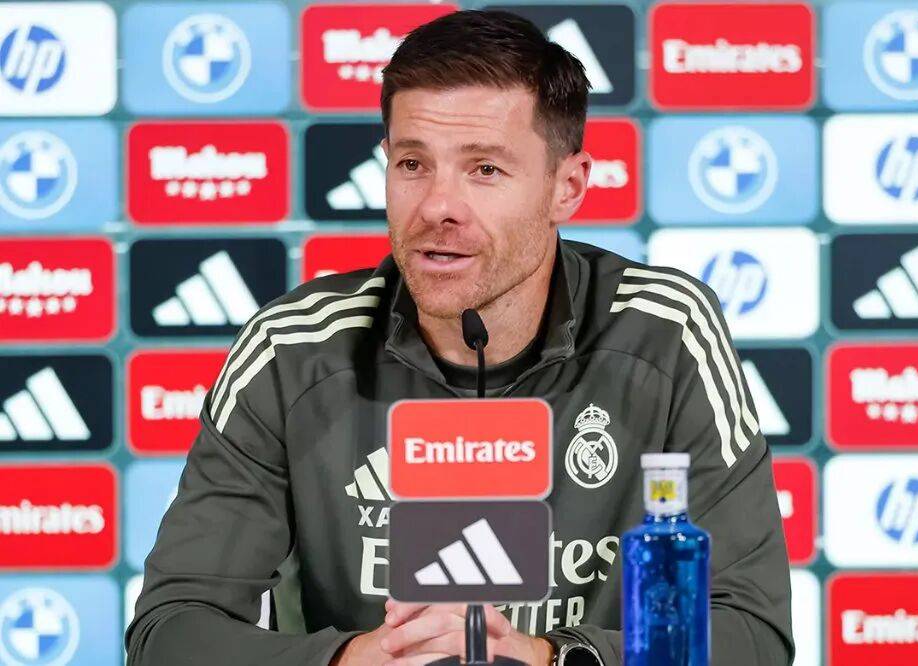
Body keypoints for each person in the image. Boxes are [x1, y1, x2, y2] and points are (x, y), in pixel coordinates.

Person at [126, 9, 793, 666]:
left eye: (484, 170)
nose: (437, 206)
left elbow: (753, 633)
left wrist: (552, 658)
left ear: (566, 188)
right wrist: (349, 661)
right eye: (413, 164)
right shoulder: (293, 349)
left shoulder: (664, 331)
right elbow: (170, 633)